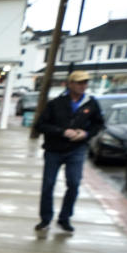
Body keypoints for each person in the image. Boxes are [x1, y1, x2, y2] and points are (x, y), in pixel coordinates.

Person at [33, 70, 105, 232]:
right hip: (54, 150)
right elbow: (41, 125)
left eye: (85, 83)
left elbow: (98, 124)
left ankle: (65, 218)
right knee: (48, 185)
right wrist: (62, 131)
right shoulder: (55, 103)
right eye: (79, 82)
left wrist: (85, 134)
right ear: (70, 84)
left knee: (73, 183)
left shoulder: (91, 103)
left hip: (76, 150)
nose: (82, 86)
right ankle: (45, 218)